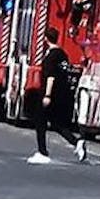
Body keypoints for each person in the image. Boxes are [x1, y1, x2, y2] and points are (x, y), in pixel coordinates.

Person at [28, 26, 87, 165]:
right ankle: (77, 142)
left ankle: (42, 152)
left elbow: (51, 77)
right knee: (57, 124)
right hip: (62, 94)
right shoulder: (63, 55)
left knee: (40, 121)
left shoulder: (50, 57)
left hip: (50, 94)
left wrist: (47, 95)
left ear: (45, 39)